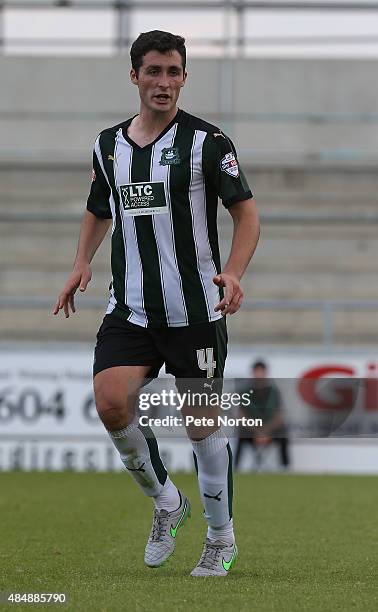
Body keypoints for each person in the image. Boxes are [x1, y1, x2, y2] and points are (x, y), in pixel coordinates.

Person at [53, 30, 260, 577]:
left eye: (173, 72)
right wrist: (81, 261)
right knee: (110, 401)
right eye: (153, 72)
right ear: (135, 77)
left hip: (194, 312)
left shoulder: (208, 143)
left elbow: (247, 214)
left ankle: (221, 537)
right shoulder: (108, 145)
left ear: (184, 77)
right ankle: (167, 501)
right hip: (132, 309)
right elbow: (100, 207)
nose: (163, 83)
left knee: (201, 426)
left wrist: (233, 272)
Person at [234, 360, 290, 471]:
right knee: (240, 435)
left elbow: (279, 415)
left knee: (283, 434)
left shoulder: (274, 392)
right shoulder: (244, 392)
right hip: (251, 431)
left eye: (261, 372)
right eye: (257, 372)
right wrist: (257, 431)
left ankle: (285, 468)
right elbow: (241, 416)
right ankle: (236, 468)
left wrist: (266, 431)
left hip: (270, 430)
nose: (259, 375)